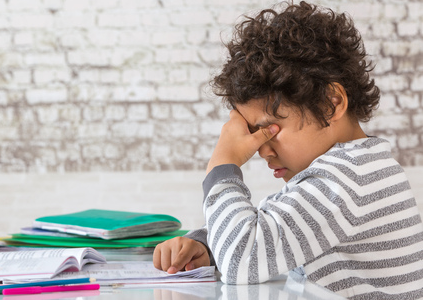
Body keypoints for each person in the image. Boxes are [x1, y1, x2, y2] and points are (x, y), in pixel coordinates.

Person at [153, 1, 423, 299]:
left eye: (270, 129)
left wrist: (223, 163)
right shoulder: (357, 166)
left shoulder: (346, 179)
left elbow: (241, 261)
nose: (261, 151)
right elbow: (271, 228)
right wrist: (206, 245)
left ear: (330, 103)